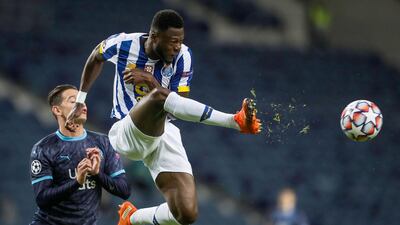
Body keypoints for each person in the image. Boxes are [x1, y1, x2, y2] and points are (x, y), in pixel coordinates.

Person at [67, 9, 262, 225]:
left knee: (186, 213)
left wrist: (151, 81)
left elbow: (176, 105)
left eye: (180, 41)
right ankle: (234, 121)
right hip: (126, 130)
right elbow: (96, 56)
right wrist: (80, 100)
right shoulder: (124, 44)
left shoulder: (183, 56)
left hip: (163, 130)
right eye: (172, 41)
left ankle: (131, 218)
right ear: (154, 37)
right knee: (159, 95)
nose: (177, 46)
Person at [29, 84, 131, 225]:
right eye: (73, 101)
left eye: (82, 100)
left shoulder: (103, 142)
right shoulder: (44, 148)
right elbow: (43, 199)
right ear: (57, 110)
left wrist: (97, 174)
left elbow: (124, 191)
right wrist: (77, 182)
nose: (82, 104)